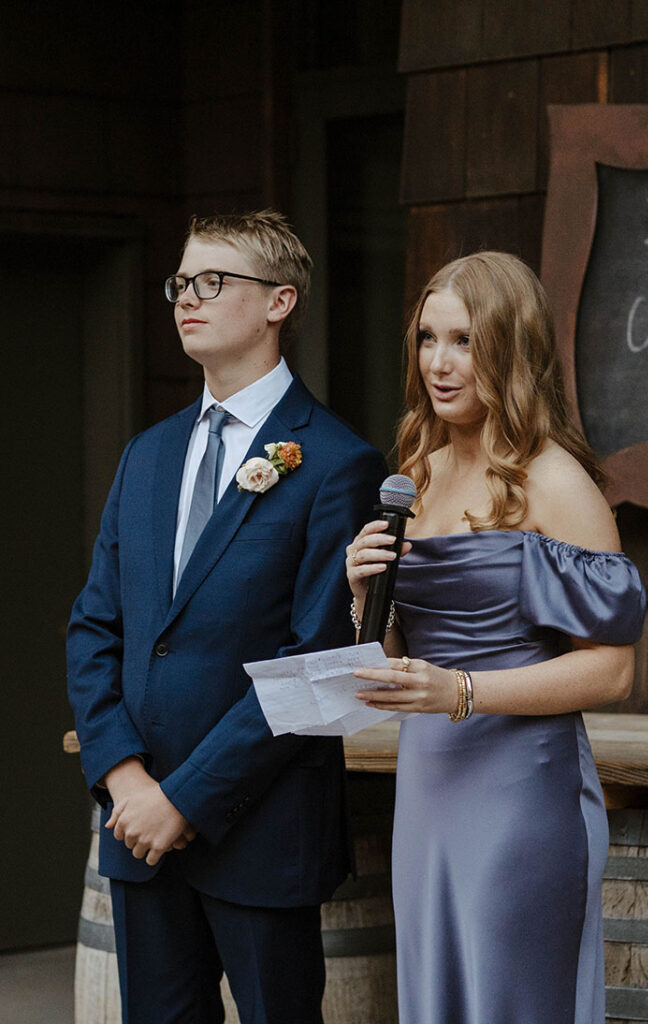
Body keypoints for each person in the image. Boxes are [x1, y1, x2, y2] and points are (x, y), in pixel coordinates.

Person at [67, 210, 386, 1024]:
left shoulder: (335, 463)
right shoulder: (147, 455)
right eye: (181, 282)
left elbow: (314, 661)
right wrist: (125, 778)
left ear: (279, 301)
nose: (187, 298)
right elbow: (95, 629)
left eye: (214, 281)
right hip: (139, 832)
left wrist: (187, 801)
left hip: (261, 835)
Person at [346, 251, 646, 1024]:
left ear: (511, 350)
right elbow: (393, 660)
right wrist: (362, 598)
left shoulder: (554, 482)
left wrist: (462, 690)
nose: (439, 365)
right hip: (427, 787)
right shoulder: (418, 469)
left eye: (465, 343)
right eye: (426, 339)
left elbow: (611, 673)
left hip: (523, 793)